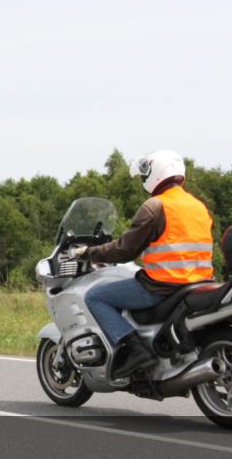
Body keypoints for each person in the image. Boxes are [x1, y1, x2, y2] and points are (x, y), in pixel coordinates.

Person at [72, 150, 214, 379]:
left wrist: (90, 253)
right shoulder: (198, 206)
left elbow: (125, 249)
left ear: (155, 173)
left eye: (144, 175)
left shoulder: (155, 206)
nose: (142, 180)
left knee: (95, 297)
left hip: (162, 287)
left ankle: (134, 350)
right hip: (199, 284)